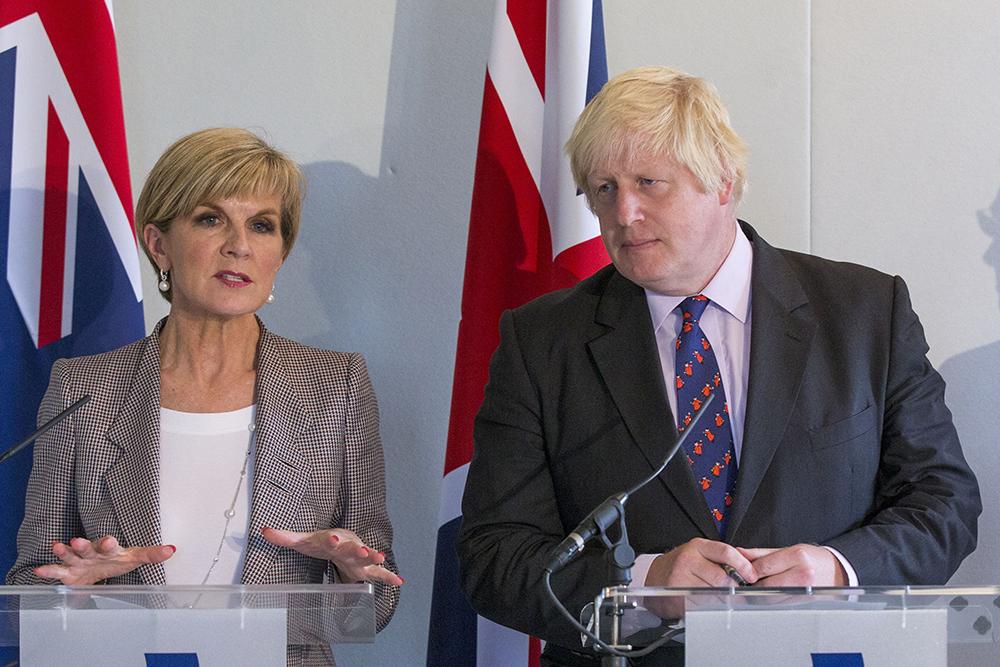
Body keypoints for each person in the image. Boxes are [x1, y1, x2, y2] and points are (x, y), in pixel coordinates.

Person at [457, 67, 981, 665]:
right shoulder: (543, 341)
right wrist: (645, 583)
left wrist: (840, 568)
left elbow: (943, 502)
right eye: (603, 189)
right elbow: (493, 554)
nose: (623, 214)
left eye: (649, 183)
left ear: (723, 182)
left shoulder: (864, 313)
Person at [6, 128, 401, 664]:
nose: (239, 244)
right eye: (210, 218)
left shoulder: (337, 386)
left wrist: (355, 577)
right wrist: (71, 586)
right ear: (158, 243)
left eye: (262, 226)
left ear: (279, 254)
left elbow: (377, 601)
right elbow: (32, 582)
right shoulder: (83, 389)